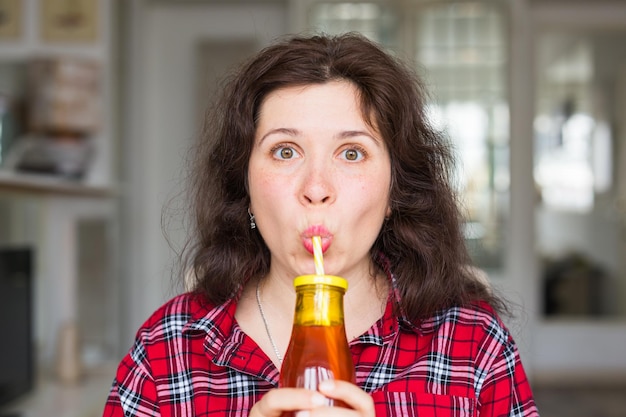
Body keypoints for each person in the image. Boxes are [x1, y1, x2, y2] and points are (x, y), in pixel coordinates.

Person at [103, 32, 539, 417]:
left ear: (394, 192)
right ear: (246, 184)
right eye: (285, 151)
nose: (316, 188)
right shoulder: (168, 350)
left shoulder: (472, 344)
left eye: (351, 153)